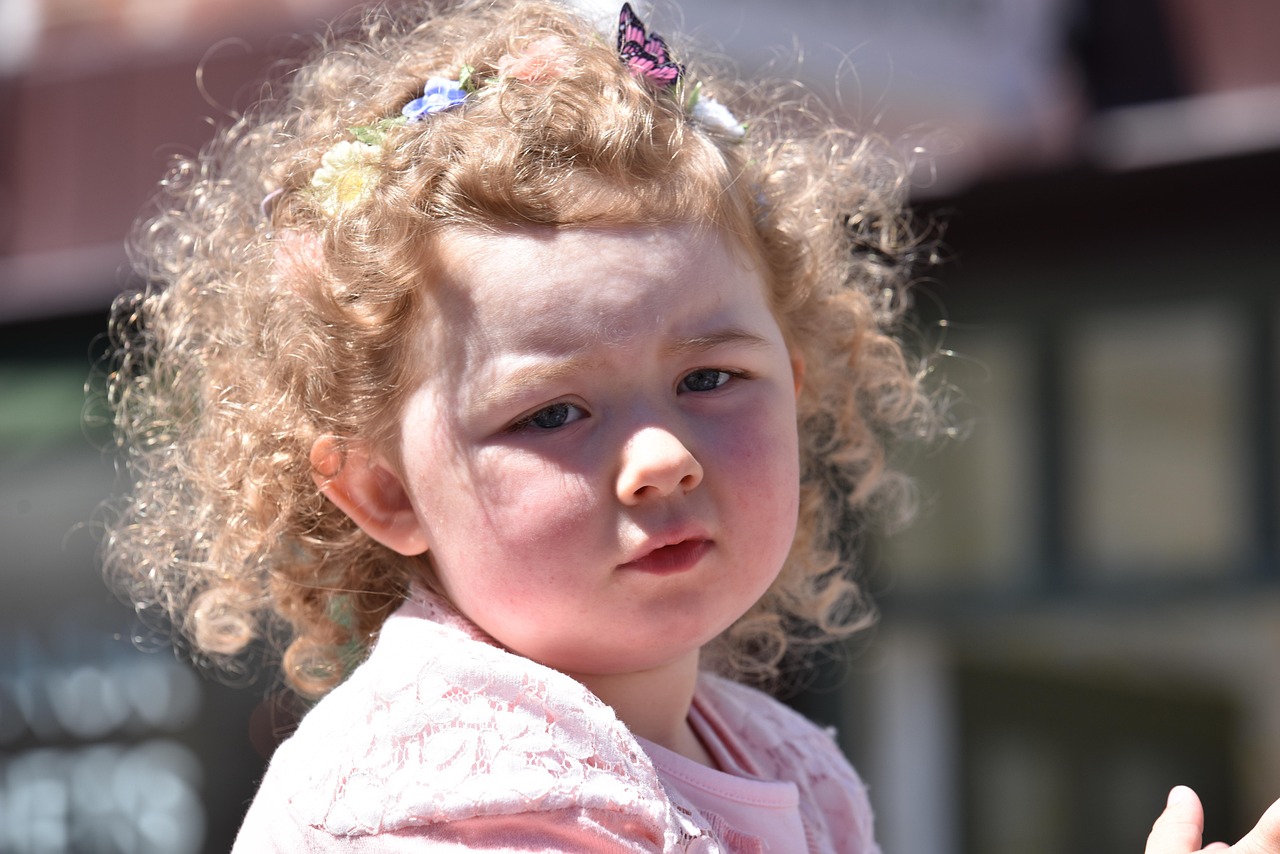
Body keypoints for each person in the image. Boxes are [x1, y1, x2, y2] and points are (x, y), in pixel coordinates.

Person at [103, 0, 1280, 850]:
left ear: (799, 368)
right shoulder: (445, 786)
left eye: (711, 378)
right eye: (554, 410)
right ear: (383, 490)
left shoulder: (778, 759)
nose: (661, 456)